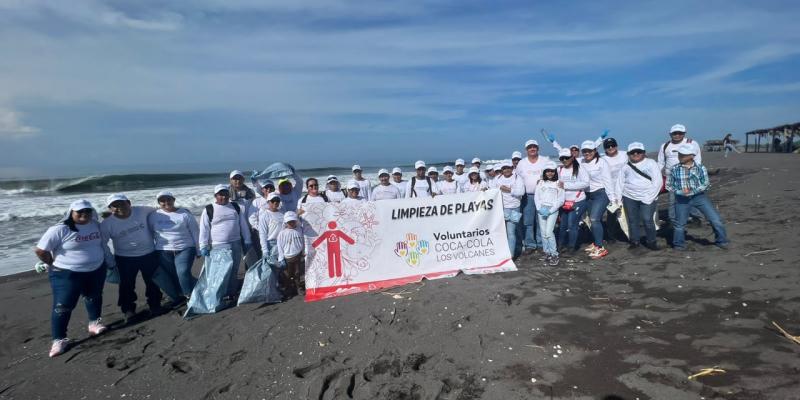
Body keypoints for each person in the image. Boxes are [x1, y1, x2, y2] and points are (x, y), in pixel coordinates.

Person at [35, 200, 112, 357]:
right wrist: (51, 263)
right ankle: (59, 339)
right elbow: (41, 250)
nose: (84, 214)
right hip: (67, 273)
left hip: (96, 269)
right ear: (71, 212)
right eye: (79, 211)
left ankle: (94, 323)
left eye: (88, 211)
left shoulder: (96, 225)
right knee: (63, 305)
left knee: (94, 296)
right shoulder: (60, 229)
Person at [100, 194, 162, 321]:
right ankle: (128, 310)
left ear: (129, 203)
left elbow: (160, 209)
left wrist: (182, 211)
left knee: (153, 282)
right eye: (115, 206)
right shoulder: (107, 224)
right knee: (126, 285)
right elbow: (102, 244)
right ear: (110, 208)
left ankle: (155, 305)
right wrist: (110, 261)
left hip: (149, 254)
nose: (119, 207)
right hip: (125, 258)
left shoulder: (142, 210)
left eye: (122, 203)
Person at [668, 144, 730, 250]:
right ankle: (679, 244)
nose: (680, 156)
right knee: (680, 224)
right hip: (682, 199)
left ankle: (722, 241)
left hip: (699, 197)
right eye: (679, 154)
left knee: (715, 219)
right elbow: (669, 185)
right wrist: (681, 192)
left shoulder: (700, 168)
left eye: (683, 155)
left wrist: (692, 191)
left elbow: (705, 183)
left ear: (692, 156)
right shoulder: (674, 169)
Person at [198, 185, 252, 300]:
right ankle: (219, 293)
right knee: (221, 272)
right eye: (221, 194)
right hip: (218, 245)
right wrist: (203, 245)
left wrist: (247, 239)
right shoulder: (209, 209)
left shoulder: (235, 207)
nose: (224, 197)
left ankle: (231, 293)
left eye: (226, 194)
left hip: (236, 243)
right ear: (215, 196)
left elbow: (243, 224)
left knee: (234, 270)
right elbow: (204, 229)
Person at [148, 191, 200, 299]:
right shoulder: (153, 216)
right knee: (174, 275)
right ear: (158, 202)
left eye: (169, 199)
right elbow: (149, 234)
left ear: (174, 200)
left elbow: (195, 232)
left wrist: (198, 249)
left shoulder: (184, 214)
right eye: (162, 200)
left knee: (182, 272)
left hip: (185, 248)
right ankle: (197, 287)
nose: (166, 202)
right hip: (163, 251)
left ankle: (188, 295)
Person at [615, 143, 662, 250]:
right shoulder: (625, 166)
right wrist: (617, 199)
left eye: (638, 152)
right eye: (632, 152)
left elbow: (658, 182)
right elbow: (619, 183)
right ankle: (635, 241)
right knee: (632, 220)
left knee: (647, 219)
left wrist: (649, 198)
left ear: (644, 153)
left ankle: (651, 241)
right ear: (628, 154)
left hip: (647, 197)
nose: (635, 154)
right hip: (629, 197)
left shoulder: (651, 163)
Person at [657, 124, 703, 226]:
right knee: (672, 201)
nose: (677, 135)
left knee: (690, 198)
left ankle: (696, 218)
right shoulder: (665, 146)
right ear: (670, 134)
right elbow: (660, 162)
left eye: (680, 133)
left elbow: (697, 159)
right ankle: (673, 220)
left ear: (684, 133)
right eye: (675, 133)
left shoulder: (691, 143)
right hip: (671, 178)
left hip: (688, 176)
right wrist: (655, 174)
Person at [515, 139, 552, 255]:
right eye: (530, 147)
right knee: (528, 221)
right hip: (528, 196)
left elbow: (552, 174)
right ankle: (530, 244)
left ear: (538, 148)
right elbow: (516, 179)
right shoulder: (522, 163)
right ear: (526, 150)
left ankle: (541, 244)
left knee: (542, 219)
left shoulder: (545, 160)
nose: (532, 149)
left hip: (543, 195)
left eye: (534, 147)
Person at [579, 140, 614, 259]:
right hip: (588, 195)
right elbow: (566, 160)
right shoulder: (580, 161)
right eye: (584, 151)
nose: (587, 153)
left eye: (590, 150)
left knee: (595, 219)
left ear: (595, 151)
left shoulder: (601, 163)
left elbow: (608, 180)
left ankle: (600, 247)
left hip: (601, 194)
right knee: (591, 220)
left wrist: (613, 198)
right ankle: (596, 242)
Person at [556, 149, 589, 254]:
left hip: (577, 200)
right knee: (562, 225)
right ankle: (560, 245)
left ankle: (571, 247)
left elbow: (586, 183)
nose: (564, 160)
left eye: (567, 157)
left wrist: (566, 185)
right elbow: (552, 178)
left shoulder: (579, 169)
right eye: (562, 158)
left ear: (572, 157)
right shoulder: (559, 170)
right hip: (564, 202)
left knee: (572, 224)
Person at [534, 163, 565, 266]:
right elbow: (536, 197)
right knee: (543, 233)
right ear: (544, 172)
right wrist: (539, 209)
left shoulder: (558, 183)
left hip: (552, 211)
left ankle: (554, 254)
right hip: (541, 210)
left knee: (548, 232)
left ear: (555, 172)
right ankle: (547, 253)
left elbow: (561, 199)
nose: (550, 173)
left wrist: (551, 210)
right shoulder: (540, 183)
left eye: (552, 171)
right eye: (547, 171)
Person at [495, 162, 525, 258]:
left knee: (511, 231)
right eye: (504, 168)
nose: (506, 170)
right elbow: (492, 191)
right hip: (501, 208)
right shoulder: (498, 178)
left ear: (512, 168)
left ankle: (510, 256)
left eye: (508, 168)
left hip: (515, 208)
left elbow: (521, 192)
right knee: (505, 231)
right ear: (502, 170)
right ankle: (513, 248)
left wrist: (509, 190)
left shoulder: (517, 178)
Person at [276, 211, 306, 296]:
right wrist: (281, 258)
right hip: (288, 258)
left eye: (293, 221)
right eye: (289, 222)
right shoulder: (282, 233)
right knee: (288, 275)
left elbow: (303, 242)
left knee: (297, 273)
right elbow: (280, 246)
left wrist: (303, 251)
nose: (291, 223)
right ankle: (288, 288)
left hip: (298, 255)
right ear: (285, 222)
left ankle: (298, 287)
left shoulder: (300, 230)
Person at [257, 193, 285, 263]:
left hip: (283, 244)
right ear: (268, 202)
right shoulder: (264, 216)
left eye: (277, 200)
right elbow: (262, 234)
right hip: (271, 245)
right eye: (273, 200)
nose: (275, 202)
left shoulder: (283, 214)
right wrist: (265, 250)